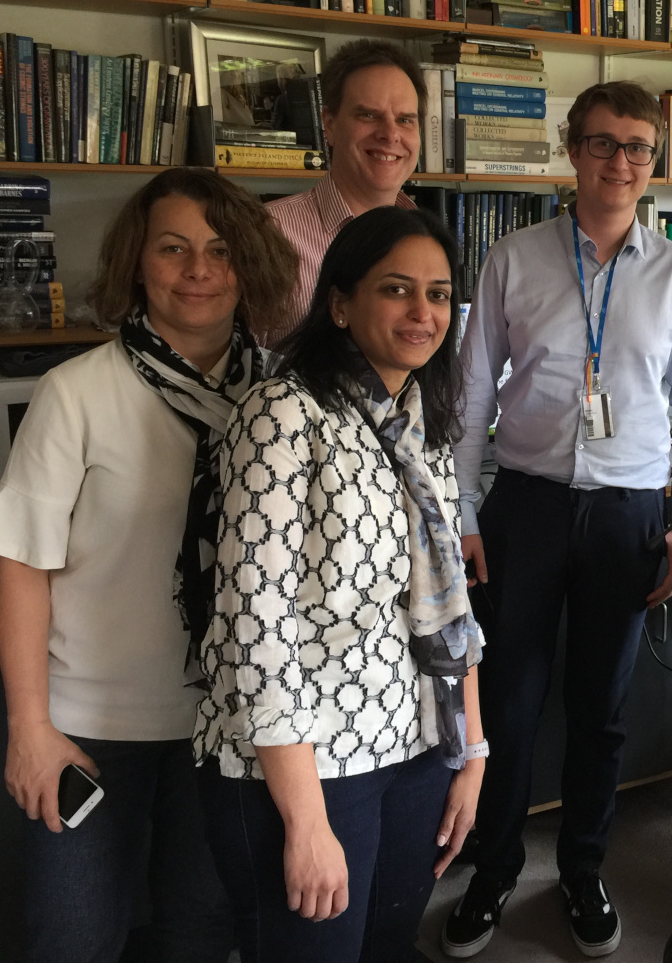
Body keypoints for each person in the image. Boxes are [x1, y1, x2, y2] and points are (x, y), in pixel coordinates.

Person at [0, 167, 298, 963]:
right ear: (136, 262)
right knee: (72, 936)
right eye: (174, 248)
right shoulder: (74, 394)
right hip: (89, 729)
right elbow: (20, 564)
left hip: (226, 724)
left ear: (248, 266)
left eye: (221, 251)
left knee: (200, 931)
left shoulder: (280, 399)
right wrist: (29, 728)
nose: (198, 271)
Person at [442, 80, 672, 958]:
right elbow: (472, 391)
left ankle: (582, 869)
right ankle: (491, 876)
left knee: (601, 711)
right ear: (572, 148)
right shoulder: (514, 258)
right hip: (524, 505)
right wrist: (461, 509)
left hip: (629, 516)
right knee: (511, 708)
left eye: (639, 147)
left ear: (654, 161)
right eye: (604, 143)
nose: (621, 162)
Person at [194, 206, 486, 962]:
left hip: (416, 743)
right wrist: (306, 821)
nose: (422, 312)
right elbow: (251, 634)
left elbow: (455, 606)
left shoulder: (428, 426)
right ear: (339, 302)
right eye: (396, 289)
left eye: (438, 293)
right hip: (306, 766)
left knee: (387, 945)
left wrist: (471, 754)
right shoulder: (282, 415)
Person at [263, 38, 426, 344]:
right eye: (369, 115)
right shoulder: (268, 235)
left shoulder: (425, 238)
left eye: (405, 120)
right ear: (330, 125)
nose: (390, 134)